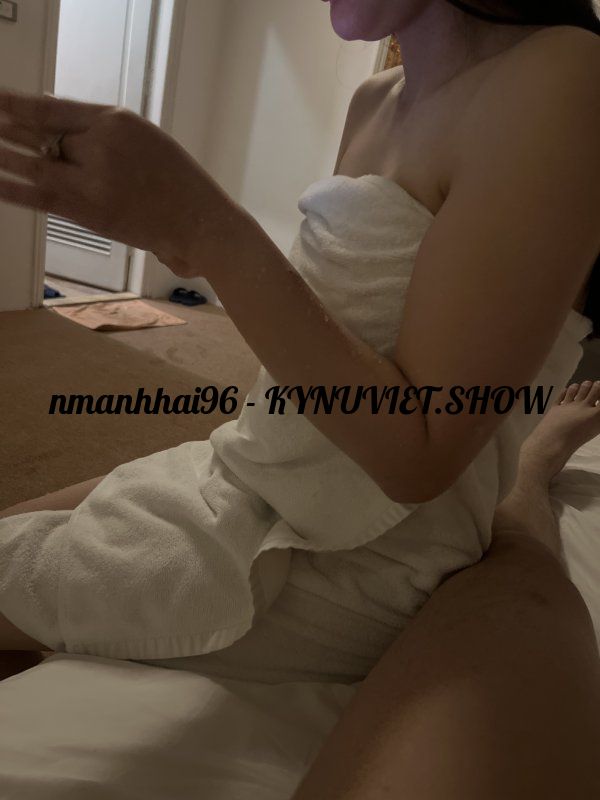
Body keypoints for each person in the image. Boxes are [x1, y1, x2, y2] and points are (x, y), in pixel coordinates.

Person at [0, 0, 599, 796]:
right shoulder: (376, 98)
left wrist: (205, 228)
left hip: (333, 553)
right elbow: (317, 363)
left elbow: (419, 458)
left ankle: (532, 462)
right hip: (258, 473)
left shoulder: (562, 75)